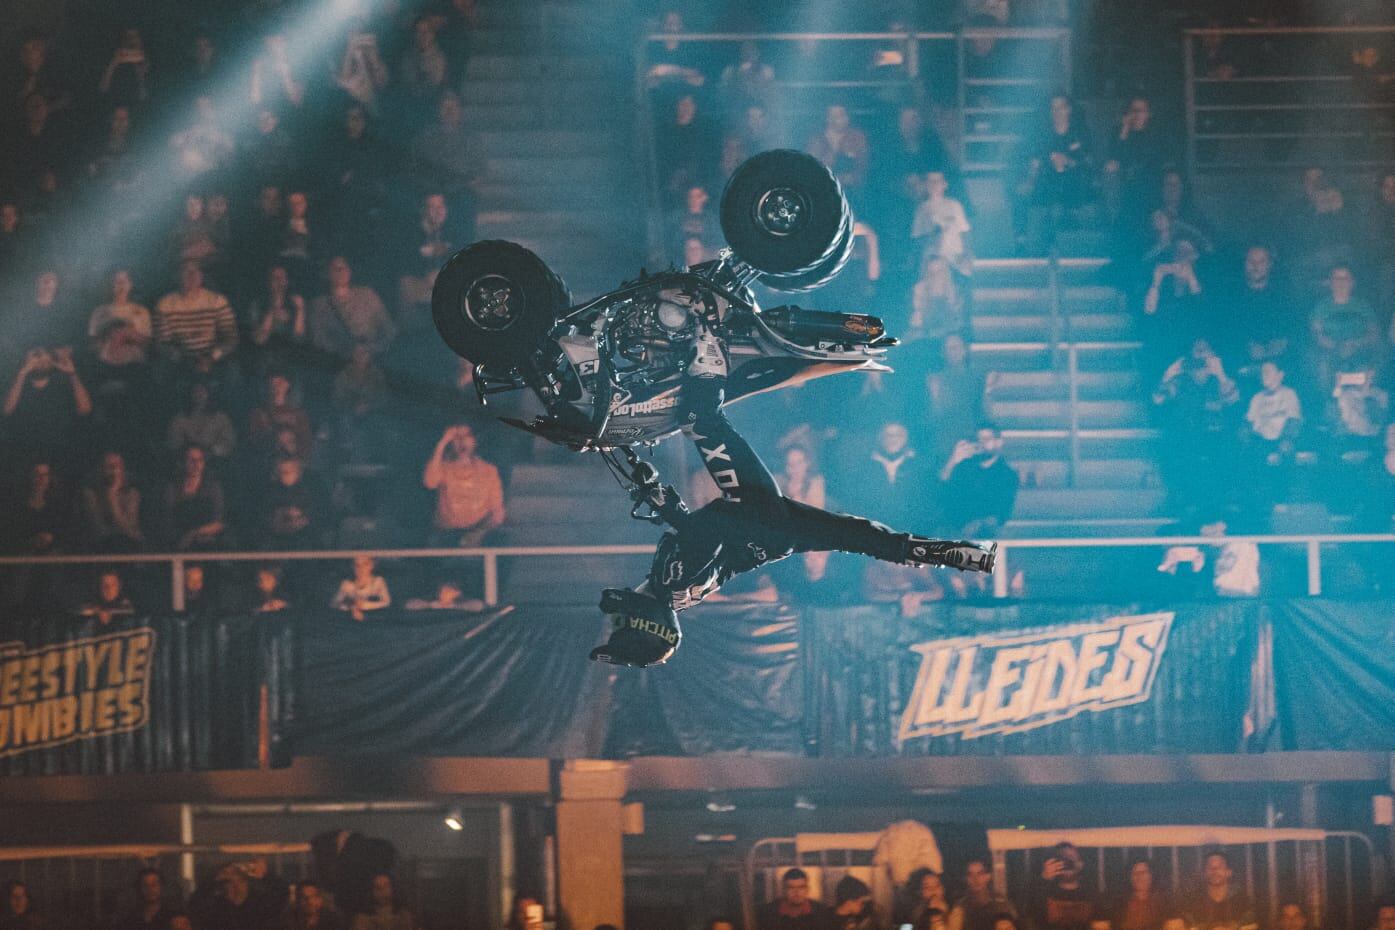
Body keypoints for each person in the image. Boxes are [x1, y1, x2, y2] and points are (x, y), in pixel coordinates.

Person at [589, 324, 994, 667]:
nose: (619, 614)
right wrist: (666, 506)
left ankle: (964, 556)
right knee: (701, 421)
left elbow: (704, 534)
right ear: (644, 622)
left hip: (770, 533)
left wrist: (663, 501)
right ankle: (706, 342)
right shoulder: (674, 581)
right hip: (757, 515)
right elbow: (710, 528)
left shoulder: (674, 589)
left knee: (861, 536)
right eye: (622, 622)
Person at [423, 424, 506, 546]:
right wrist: (442, 443)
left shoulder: (489, 471)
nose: (461, 441)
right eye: (456, 437)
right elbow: (430, 482)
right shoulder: (443, 468)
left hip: (479, 533)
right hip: (446, 534)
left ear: (475, 440)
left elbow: (497, 512)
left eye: (466, 436)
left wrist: (477, 534)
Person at [155, 261, 238, 372]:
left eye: (196, 271)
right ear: (177, 276)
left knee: (231, 370)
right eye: (187, 272)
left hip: (214, 359)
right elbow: (163, 343)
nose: (192, 276)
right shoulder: (165, 305)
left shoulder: (217, 301)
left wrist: (212, 357)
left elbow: (230, 337)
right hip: (181, 361)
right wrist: (185, 360)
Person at [161, 445, 228, 550]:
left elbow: (218, 521)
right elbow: (168, 519)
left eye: (199, 460)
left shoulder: (213, 487)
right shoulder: (172, 487)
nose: (196, 464)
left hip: (208, 540)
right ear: (183, 462)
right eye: (191, 460)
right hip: (179, 541)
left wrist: (195, 533)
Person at [89, 269, 152, 368]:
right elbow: (93, 344)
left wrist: (128, 334)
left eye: (125, 281)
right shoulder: (100, 312)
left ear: (131, 284)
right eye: (116, 281)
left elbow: (148, 343)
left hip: (134, 365)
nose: (121, 285)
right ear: (110, 284)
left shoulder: (141, 311)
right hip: (106, 365)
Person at [1027, 843, 1098, 930]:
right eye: (1062, 858)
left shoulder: (1092, 894)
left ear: (1080, 864)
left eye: (1071, 858)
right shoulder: (1043, 892)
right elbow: (1029, 915)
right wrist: (1044, 878)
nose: (1067, 862)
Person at [1182, 852, 1257, 930]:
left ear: (1229, 872)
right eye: (1210, 867)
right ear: (1204, 873)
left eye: (1219, 867)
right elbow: (1189, 926)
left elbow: (1251, 926)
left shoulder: (1242, 900)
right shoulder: (1193, 901)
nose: (1214, 871)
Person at [756, 867, 838, 930]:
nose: (796, 892)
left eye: (801, 887)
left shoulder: (821, 912)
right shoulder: (769, 913)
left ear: (807, 889)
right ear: (784, 890)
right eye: (791, 888)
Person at [949, 858, 1017, 930]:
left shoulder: (1001, 903)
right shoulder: (960, 907)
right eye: (970, 874)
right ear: (966, 879)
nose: (975, 879)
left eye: (980, 873)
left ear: (988, 876)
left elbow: (1015, 924)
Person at [1111, 859, 1168, 930]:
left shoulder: (1164, 901)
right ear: (1130, 878)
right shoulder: (1120, 903)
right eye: (1135, 873)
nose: (1139, 877)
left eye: (1143, 872)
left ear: (1151, 876)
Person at [332, 555, 391, 620]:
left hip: (374, 620)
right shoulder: (347, 584)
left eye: (365, 564)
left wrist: (366, 605)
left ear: (372, 565)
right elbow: (334, 604)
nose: (361, 569)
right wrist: (352, 606)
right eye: (357, 565)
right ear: (352, 567)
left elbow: (387, 603)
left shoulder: (378, 582)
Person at [348, 874, 412, 930]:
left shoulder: (403, 915)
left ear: (393, 888)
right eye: (378, 887)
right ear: (371, 891)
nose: (382, 891)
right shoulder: (362, 919)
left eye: (386, 886)